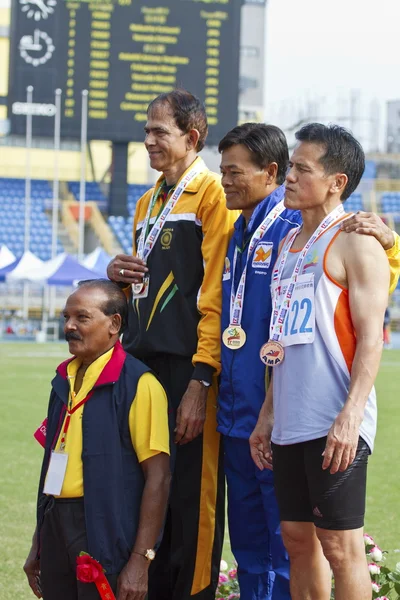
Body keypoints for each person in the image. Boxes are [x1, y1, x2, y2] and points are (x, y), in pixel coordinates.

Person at [107, 89, 238, 600]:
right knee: (145, 492)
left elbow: (216, 297)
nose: (147, 141)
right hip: (141, 369)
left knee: (192, 499)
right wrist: (117, 277)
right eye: (146, 130)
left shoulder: (212, 196)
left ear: (193, 136)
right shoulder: (147, 202)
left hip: (188, 370)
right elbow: (147, 288)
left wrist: (201, 380)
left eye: (159, 131)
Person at [250, 123, 390, 600]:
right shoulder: (289, 246)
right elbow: (283, 339)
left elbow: (373, 339)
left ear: (337, 183)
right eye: (290, 166)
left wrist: (350, 416)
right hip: (291, 419)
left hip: (336, 418)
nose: (288, 177)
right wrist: (268, 414)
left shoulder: (357, 241)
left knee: (339, 544)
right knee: (296, 539)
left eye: (301, 169)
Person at [23, 279, 171, 600]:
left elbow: (158, 478)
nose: (69, 326)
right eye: (66, 317)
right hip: (56, 523)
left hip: (105, 529)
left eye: (82, 317)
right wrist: (40, 540)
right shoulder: (63, 381)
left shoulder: (140, 385)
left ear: (114, 324)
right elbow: (53, 465)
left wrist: (140, 560)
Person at [218, 123, 301, 600]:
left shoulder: (295, 228)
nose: (225, 181)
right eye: (222, 170)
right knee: (247, 542)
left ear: (271, 172)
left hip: (276, 420)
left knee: (285, 543)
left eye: (234, 172)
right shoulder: (238, 229)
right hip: (234, 417)